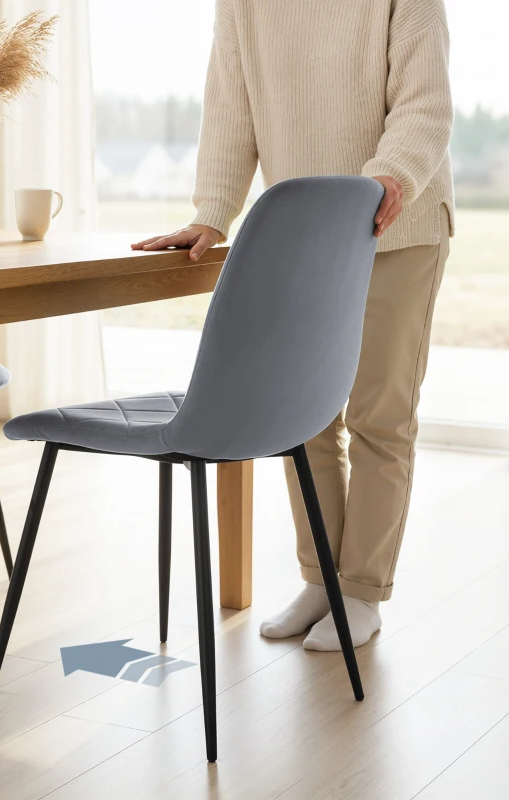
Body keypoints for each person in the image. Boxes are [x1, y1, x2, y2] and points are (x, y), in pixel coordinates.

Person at [133, 0, 454, 650]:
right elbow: (231, 105)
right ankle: (320, 580)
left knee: (380, 416)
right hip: (305, 232)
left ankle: (361, 592)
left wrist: (388, 178)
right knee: (304, 416)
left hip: (399, 224)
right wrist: (214, 211)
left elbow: (426, 104)